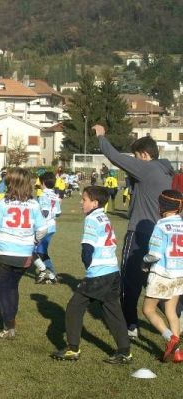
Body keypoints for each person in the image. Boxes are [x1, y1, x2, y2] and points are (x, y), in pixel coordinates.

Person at [94, 124, 174, 339]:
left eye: (136, 156)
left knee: (130, 280)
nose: (134, 161)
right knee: (158, 279)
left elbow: (113, 156)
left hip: (140, 232)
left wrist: (102, 136)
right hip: (163, 235)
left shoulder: (146, 168)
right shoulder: (166, 170)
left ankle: (130, 325)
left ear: (145, 155)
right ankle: (176, 320)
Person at [51, 186, 132, 364]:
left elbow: (87, 249)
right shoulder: (104, 216)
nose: (81, 202)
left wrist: (89, 268)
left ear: (94, 203)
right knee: (112, 310)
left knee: (74, 307)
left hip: (99, 273)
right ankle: (124, 351)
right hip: (112, 270)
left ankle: (72, 349)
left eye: (84, 199)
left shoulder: (91, 219)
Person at [0, 168, 47, 339]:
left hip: (4, 252)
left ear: (11, 184)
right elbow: (42, 229)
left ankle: (8, 325)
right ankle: (10, 322)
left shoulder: (3, 203)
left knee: (3, 291)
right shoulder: (34, 204)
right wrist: (32, 241)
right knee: (13, 287)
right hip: (25, 254)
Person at [142, 190, 183, 363]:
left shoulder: (161, 225)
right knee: (171, 311)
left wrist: (144, 263)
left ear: (162, 206)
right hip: (179, 274)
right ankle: (178, 352)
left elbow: (154, 255)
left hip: (162, 274)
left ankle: (170, 338)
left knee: (148, 310)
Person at [34, 172, 62, 284]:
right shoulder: (55, 195)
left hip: (44, 227)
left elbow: (44, 212)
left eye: (40, 182)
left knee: (32, 250)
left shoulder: (43, 195)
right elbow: (58, 213)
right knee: (41, 251)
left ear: (43, 183)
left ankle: (47, 273)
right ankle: (51, 274)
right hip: (52, 227)